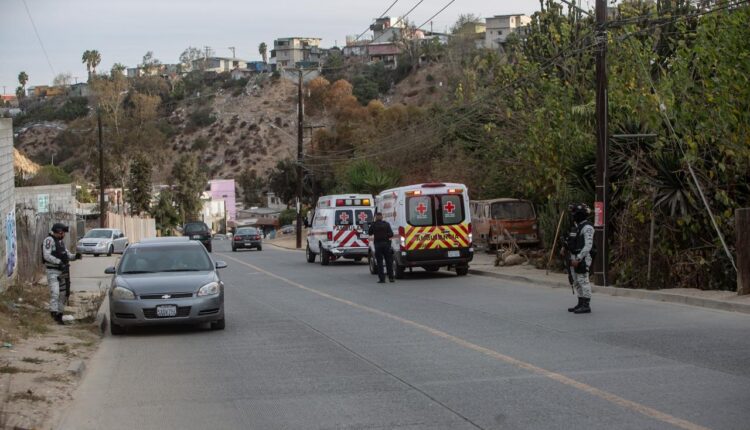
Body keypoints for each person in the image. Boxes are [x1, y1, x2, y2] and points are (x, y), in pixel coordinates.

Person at [560, 203, 595, 314]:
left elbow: (588, 246)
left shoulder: (587, 227)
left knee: (583, 280)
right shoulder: (576, 227)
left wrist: (579, 258)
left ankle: (586, 305)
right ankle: (580, 303)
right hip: (573, 256)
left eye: (575, 213)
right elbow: (571, 241)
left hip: (583, 257)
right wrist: (564, 248)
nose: (573, 215)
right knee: (576, 281)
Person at [42, 223, 79, 324]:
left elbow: (67, 254)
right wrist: (59, 262)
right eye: (62, 232)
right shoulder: (49, 240)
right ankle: (53, 313)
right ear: (58, 231)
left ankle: (59, 314)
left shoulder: (60, 242)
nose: (63, 235)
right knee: (55, 293)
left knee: (63, 294)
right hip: (53, 271)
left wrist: (76, 256)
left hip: (62, 272)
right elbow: (46, 255)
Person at [368, 212, 394, 283]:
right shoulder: (386, 224)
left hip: (378, 245)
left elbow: (370, 233)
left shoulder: (373, 225)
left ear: (376, 217)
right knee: (389, 262)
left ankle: (382, 279)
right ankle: (391, 278)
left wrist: (372, 224)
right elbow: (391, 234)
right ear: (382, 217)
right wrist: (386, 235)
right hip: (386, 245)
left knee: (379, 263)